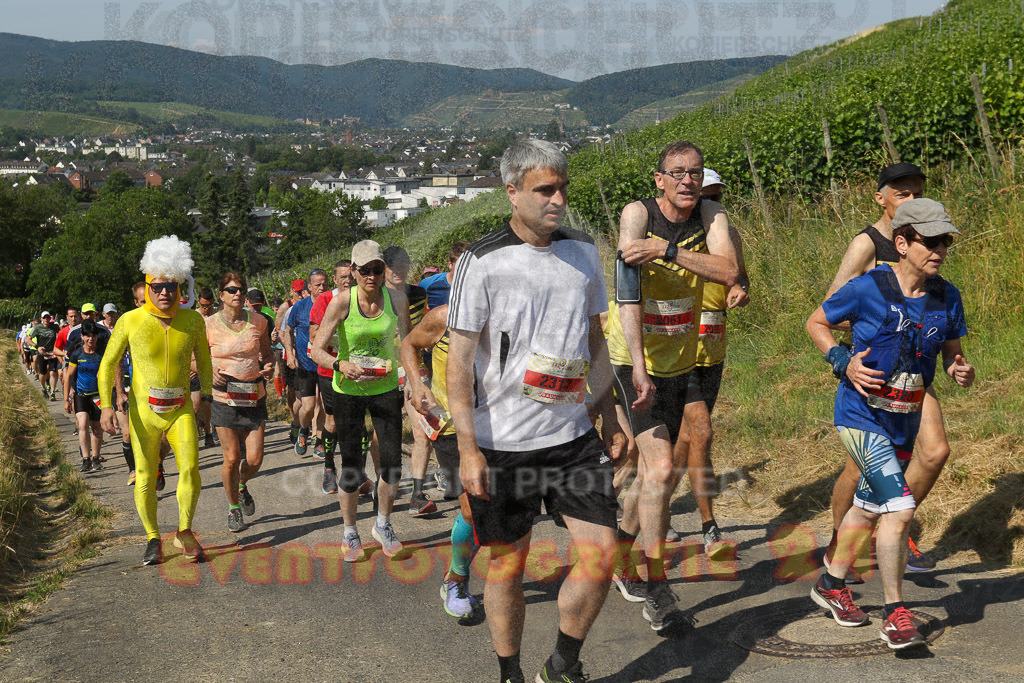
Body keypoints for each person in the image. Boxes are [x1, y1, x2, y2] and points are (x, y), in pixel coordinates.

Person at [446, 139, 626, 683]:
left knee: (601, 555)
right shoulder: (481, 261)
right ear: (512, 192)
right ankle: (510, 673)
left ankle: (563, 662)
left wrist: (610, 413)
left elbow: (596, 339)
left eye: (562, 187)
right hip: (501, 442)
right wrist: (468, 449)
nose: (557, 199)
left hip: (572, 436)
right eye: (544, 189)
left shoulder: (583, 250)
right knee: (507, 565)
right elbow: (457, 365)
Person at [806, 198, 974, 650]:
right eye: (929, 241)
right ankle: (895, 613)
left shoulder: (946, 296)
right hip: (860, 417)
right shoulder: (868, 287)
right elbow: (817, 321)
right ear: (902, 243)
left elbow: (952, 352)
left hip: (905, 417)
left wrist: (960, 368)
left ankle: (830, 582)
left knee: (865, 509)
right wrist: (843, 361)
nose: (939, 249)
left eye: (945, 241)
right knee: (899, 510)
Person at [605, 142, 739, 627]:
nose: (688, 180)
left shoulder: (711, 213)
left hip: (683, 357)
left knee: (660, 471)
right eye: (677, 173)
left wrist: (668, 250)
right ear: (658, 178)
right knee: (660, 468)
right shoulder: (637, 214)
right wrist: (638, 365)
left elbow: (728, 270)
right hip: (632, 356)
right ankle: (657, 586)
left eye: (696, 173)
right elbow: (627, 295)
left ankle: (621, 546)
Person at [822, 162, 942, 576]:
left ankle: (894, 519)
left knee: (936, 450)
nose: (912, 200)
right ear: (881, 198)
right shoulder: (867, 243)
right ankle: (842, 540)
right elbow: (832, 307)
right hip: (873, 374)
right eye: (902, 194)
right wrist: (863, 339)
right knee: (859, 466)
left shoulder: (927, 239)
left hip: (916, 371)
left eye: (918, 193)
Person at [99, 236, 213, 566]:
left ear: (181, 288)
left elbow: (204, 362)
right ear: (147, 286)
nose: (164, 292)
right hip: (143, 412)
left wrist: (205, 398)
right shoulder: (130, 321)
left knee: (191, 468)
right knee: (146, 476)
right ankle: (152, 538)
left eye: (171, 286)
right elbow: (108, 363)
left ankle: (185, 532)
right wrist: (107, 405)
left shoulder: (192, 321)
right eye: (157, 286)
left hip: (180, 411)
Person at [310, 240, 411, 562]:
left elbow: (407, 344)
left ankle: (383, 525)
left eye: (377, 269)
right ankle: (350, 531)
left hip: (384, 388)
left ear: (384, 270)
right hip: (349, 392)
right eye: (364, 270)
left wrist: (413, 381)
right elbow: (317, 350)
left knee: (393, 464)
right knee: (352, 467)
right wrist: (340, 364)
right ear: (353, 271)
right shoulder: (341, 303)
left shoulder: (397, 300)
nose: (371, 276)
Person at [680, 168, 751, 554]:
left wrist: (739, 292)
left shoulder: (730, 237)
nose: (712, 205)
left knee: (685, 440)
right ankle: (710, 529)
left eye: (718, 197)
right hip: (675, 351)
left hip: (714, 349)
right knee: (702, 431)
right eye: (705, 197)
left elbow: (743, 284)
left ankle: (642, 506)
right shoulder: (672, 239)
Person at [401, 303, 479, 617]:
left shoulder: (512, 312)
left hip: (499, 425)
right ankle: (456, 578)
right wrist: (418, 383)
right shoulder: (445, 317)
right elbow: (409, 344)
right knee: (472, 510)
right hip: (451, 425)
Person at [206, 273, 274, 533]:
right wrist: (207, 370)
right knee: (232, 458)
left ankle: (241, 484)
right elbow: (194, 359)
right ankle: (234, 509)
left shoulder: (258, 321)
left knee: (254, 460)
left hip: (253, 396)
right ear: (221, 295)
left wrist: (268, 366)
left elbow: (267, 354)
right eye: (231, 290)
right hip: (223, 399)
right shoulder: (208, 324)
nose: (238, 294)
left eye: (241, 289)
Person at [383, 245, 436, 515]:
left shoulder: (418, 293)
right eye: (393, 266)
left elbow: (420, 330)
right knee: (384, 436)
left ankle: (417, 494)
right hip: (380, 372)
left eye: (403, 265)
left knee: (421, 432)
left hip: (412, 368)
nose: (398, 271)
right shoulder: (373, 296)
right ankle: (383, 484)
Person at [285, 270, 327, 455]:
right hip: (305, 363)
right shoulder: (300, 307)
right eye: (317, 285)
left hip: (326, 363)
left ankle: (319, 439)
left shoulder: (333, 305)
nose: (321, 288)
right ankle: (303, 429)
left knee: (324, 404)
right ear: (309, 287)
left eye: (324, 284)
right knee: (308, 406)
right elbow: (287, 330)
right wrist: (289, 354)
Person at [65, 319, 106, 473]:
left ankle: (96, 458)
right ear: (82, 336)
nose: (91, 339)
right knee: (82, 425)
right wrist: (66, 400)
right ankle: (85, 459)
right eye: (87, 336)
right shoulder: (77, 354)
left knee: (96, 427)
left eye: (93, 336)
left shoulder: (102, 353)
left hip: (98, 395)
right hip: (81, 394)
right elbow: (68, 376)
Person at [418, 241, 470, 308]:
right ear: (449, 264)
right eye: (460, 267)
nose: (466, 271)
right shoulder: (427, 284)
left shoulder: (480, 286)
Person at [29, 312, 62, 400]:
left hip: (52, 353)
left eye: (48, 317)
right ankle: (43, 387)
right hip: (42, 353)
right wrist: (37, 347)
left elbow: (60, 335)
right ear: (41, 319)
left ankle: (52, 392)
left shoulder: (54, 326)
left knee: (52, 372)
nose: (46, 319)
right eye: (44, 318)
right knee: (43, 373)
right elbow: (28, 338)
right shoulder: (37, 328)